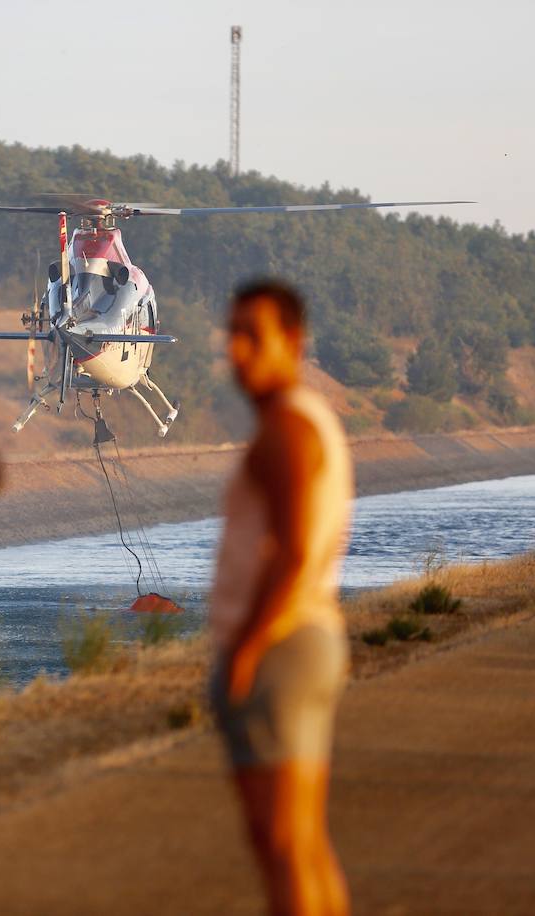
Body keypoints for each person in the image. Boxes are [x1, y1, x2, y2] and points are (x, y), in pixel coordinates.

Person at [209, 279, 352, 916]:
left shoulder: (288, 429)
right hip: (306, 640)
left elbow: (294, 554)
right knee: (301, 843)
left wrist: (246, 651)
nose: (238, 351)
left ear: (292, 342)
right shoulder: (304, 419)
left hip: (283, 650)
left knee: (282, 845)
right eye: (233, 335)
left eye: (253, 337)